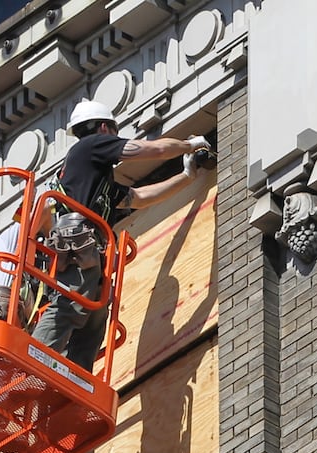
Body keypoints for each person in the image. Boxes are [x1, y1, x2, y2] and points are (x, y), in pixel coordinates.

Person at [36, 99, 211, 369]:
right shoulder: (92, 145)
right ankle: (37, 359)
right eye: (114, 134)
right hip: (77, 245)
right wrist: (189, 145)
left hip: (87, 250)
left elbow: (139, 197)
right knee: (70, 306)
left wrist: (186, 175)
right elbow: (150, 150)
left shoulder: (94, 178)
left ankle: (76, 377)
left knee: (94, 316)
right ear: (105, 128)